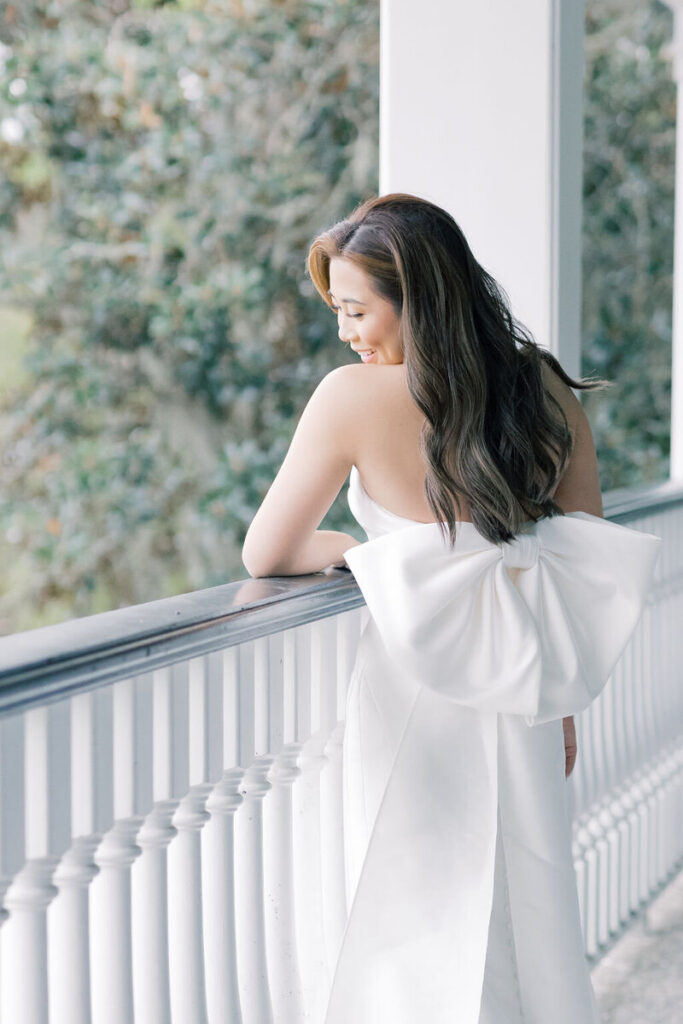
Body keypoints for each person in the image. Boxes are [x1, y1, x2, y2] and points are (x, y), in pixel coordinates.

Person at [241, 193, 660, 1023]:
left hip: (414, 687)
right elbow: (581, 551)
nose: (345, 333)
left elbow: (268, 552)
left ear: (418, 301)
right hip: (525, 682)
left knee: (409, 911)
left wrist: (372, 556)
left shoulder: (348, 399)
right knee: (527, 899)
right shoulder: (538, 385)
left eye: (357, 310)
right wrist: (557, 687)